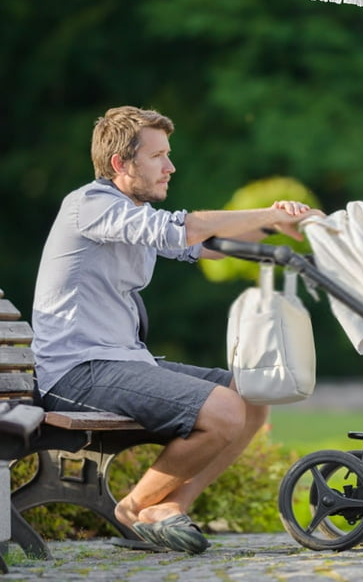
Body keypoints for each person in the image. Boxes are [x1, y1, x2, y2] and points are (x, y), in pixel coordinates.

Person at [31, 105, 322, 554]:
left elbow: (206, 248)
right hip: (77, 370)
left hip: (119, 361)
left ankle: (167, 507)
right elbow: (182, 231)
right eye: (158, 156)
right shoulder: (89, 205)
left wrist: (274, 222)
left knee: (253, 398)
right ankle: (132, 508)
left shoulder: (130, 211)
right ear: (120, 164)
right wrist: (264, 211)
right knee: (224, 409)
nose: (170, 166)